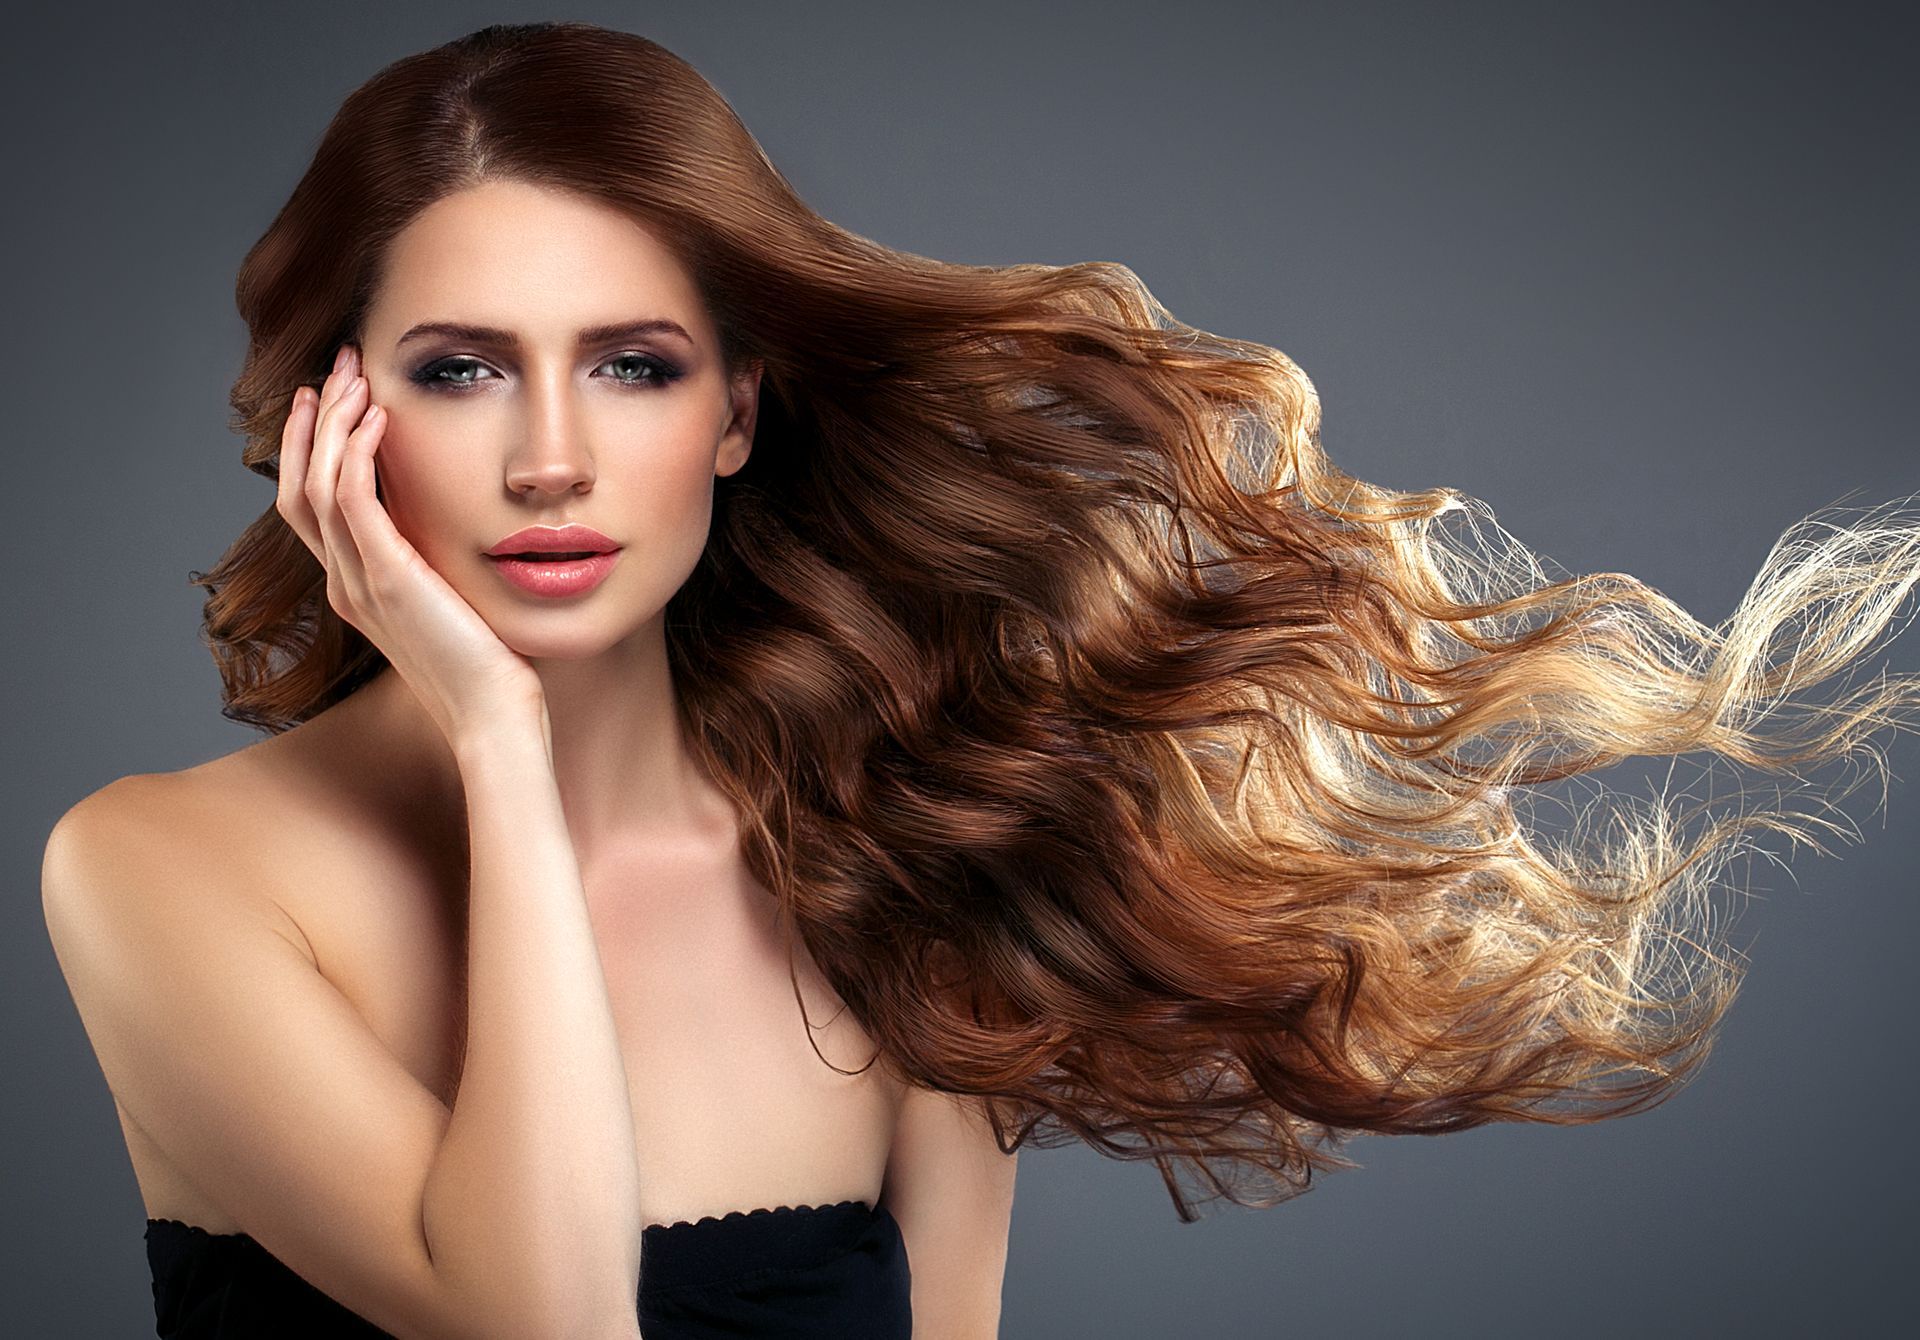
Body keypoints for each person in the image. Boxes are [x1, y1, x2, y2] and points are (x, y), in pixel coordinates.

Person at [36, 18, 1920, 1340]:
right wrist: (497, 749)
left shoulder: (887, 875)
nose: (549, 459)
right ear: (336, 421)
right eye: (460, 370)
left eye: (632, 366)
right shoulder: (161, 877)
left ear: (738, 411)